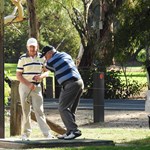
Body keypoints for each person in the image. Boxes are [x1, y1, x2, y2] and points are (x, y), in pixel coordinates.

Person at [39, 45, 84, 140]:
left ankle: (74, 130)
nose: (45, 58)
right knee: (71, 109)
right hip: (79, 82)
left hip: (70, 83)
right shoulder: (65, 54)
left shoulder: (51, 61)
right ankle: (69, 132)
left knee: (62, 107)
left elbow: (45, 67)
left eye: (45, 56)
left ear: (50, 53)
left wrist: (42, 62)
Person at [16, 38, 54, 140]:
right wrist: (28, 84)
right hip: (25, 86)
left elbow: (47, 71)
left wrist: (40, 77)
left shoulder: (42, 58)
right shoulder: (22, 58)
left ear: (37, 47)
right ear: (27, 47)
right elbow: (18, 75)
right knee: (26, 110)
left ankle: (47, 134)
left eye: (34, 46)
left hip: (37, 87)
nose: (32, 48)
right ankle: (25, 134)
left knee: (39, 110)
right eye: (30, 46)